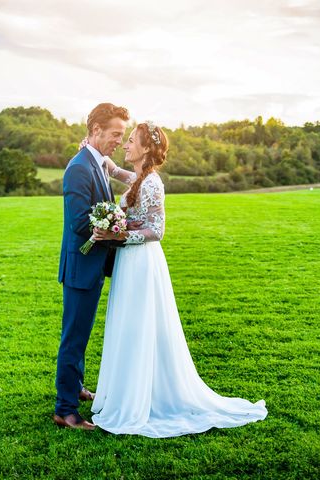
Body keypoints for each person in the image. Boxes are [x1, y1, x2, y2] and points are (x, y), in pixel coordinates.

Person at [90, 122, 268, 437]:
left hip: (142, 262)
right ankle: (127, 390)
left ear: (145, 148)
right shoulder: (141, 179)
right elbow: (132, 180)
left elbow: (156, 231)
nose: (126, 145)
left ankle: (145, 396)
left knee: (140, 324)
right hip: (131, 263)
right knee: (130, 325)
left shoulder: (153, 184)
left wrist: (118, 234)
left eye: (131, 141)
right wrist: (111, 168)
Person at [54, 103, 130, 430]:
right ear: (97, 129)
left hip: (92, 265)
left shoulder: (96, 162)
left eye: (122, 135)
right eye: (115, 134)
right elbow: (79, 223)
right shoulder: (79, 167)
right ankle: (65, 410)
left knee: (82, 334)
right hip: (80, 267)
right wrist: (117, 229)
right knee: (74, 337)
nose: (118, 141)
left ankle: (76, 387)